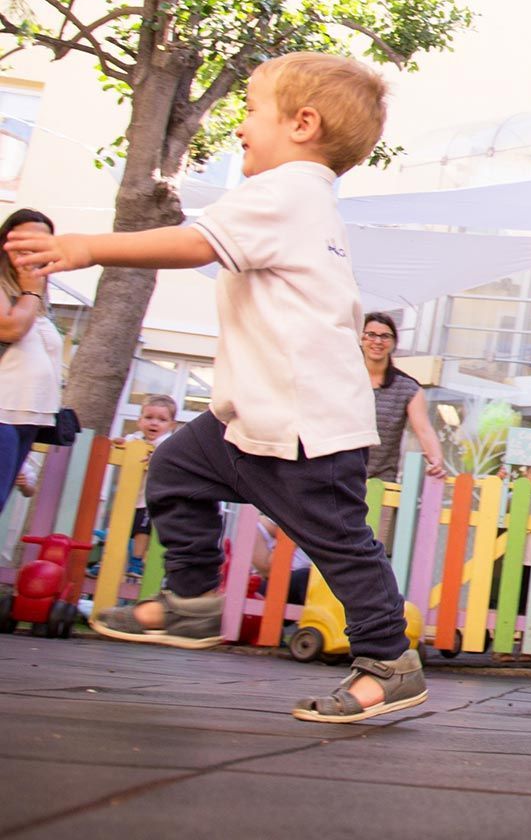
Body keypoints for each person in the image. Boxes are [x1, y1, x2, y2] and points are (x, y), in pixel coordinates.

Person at [9, 52, 425, 724]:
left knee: (340, 544)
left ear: (302, 124)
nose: (238, 129)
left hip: (300, 424)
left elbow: (194, 245)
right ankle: (197, 597)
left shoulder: (285, 190)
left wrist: (88, 247)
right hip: (252, 417)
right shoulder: (305, 199)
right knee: (174, 466)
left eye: (251, 112)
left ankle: (388, 662)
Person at [0, 208, 61, 518]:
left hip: (25, 416)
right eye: (22, 242)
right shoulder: (16, 288)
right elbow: (9, 328)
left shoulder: (38, 297)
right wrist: (30, 289)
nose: (32, 250)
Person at [361, 311, 446, 485]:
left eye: (385, 336)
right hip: (338, 477)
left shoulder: (408, 388)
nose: (377, 341)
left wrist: (436, 459)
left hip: (381, 482)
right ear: (360, 339)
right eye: (370, 335)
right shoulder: (343, 379)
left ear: (394, 343)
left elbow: (424, 429)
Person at [124, 395, 178, 574]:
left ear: (171, 425)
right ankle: (111, 559)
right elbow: (125, 444)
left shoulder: (167, 445)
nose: (154, 423)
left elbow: (168, 458)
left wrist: (155, 458)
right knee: (123, 528)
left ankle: (136, 561)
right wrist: (120, 444)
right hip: (129, 496)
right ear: (139, 421)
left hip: (150, 498)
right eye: (149, 418)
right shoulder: (135, 440)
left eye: (162, 420)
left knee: (142, 530)